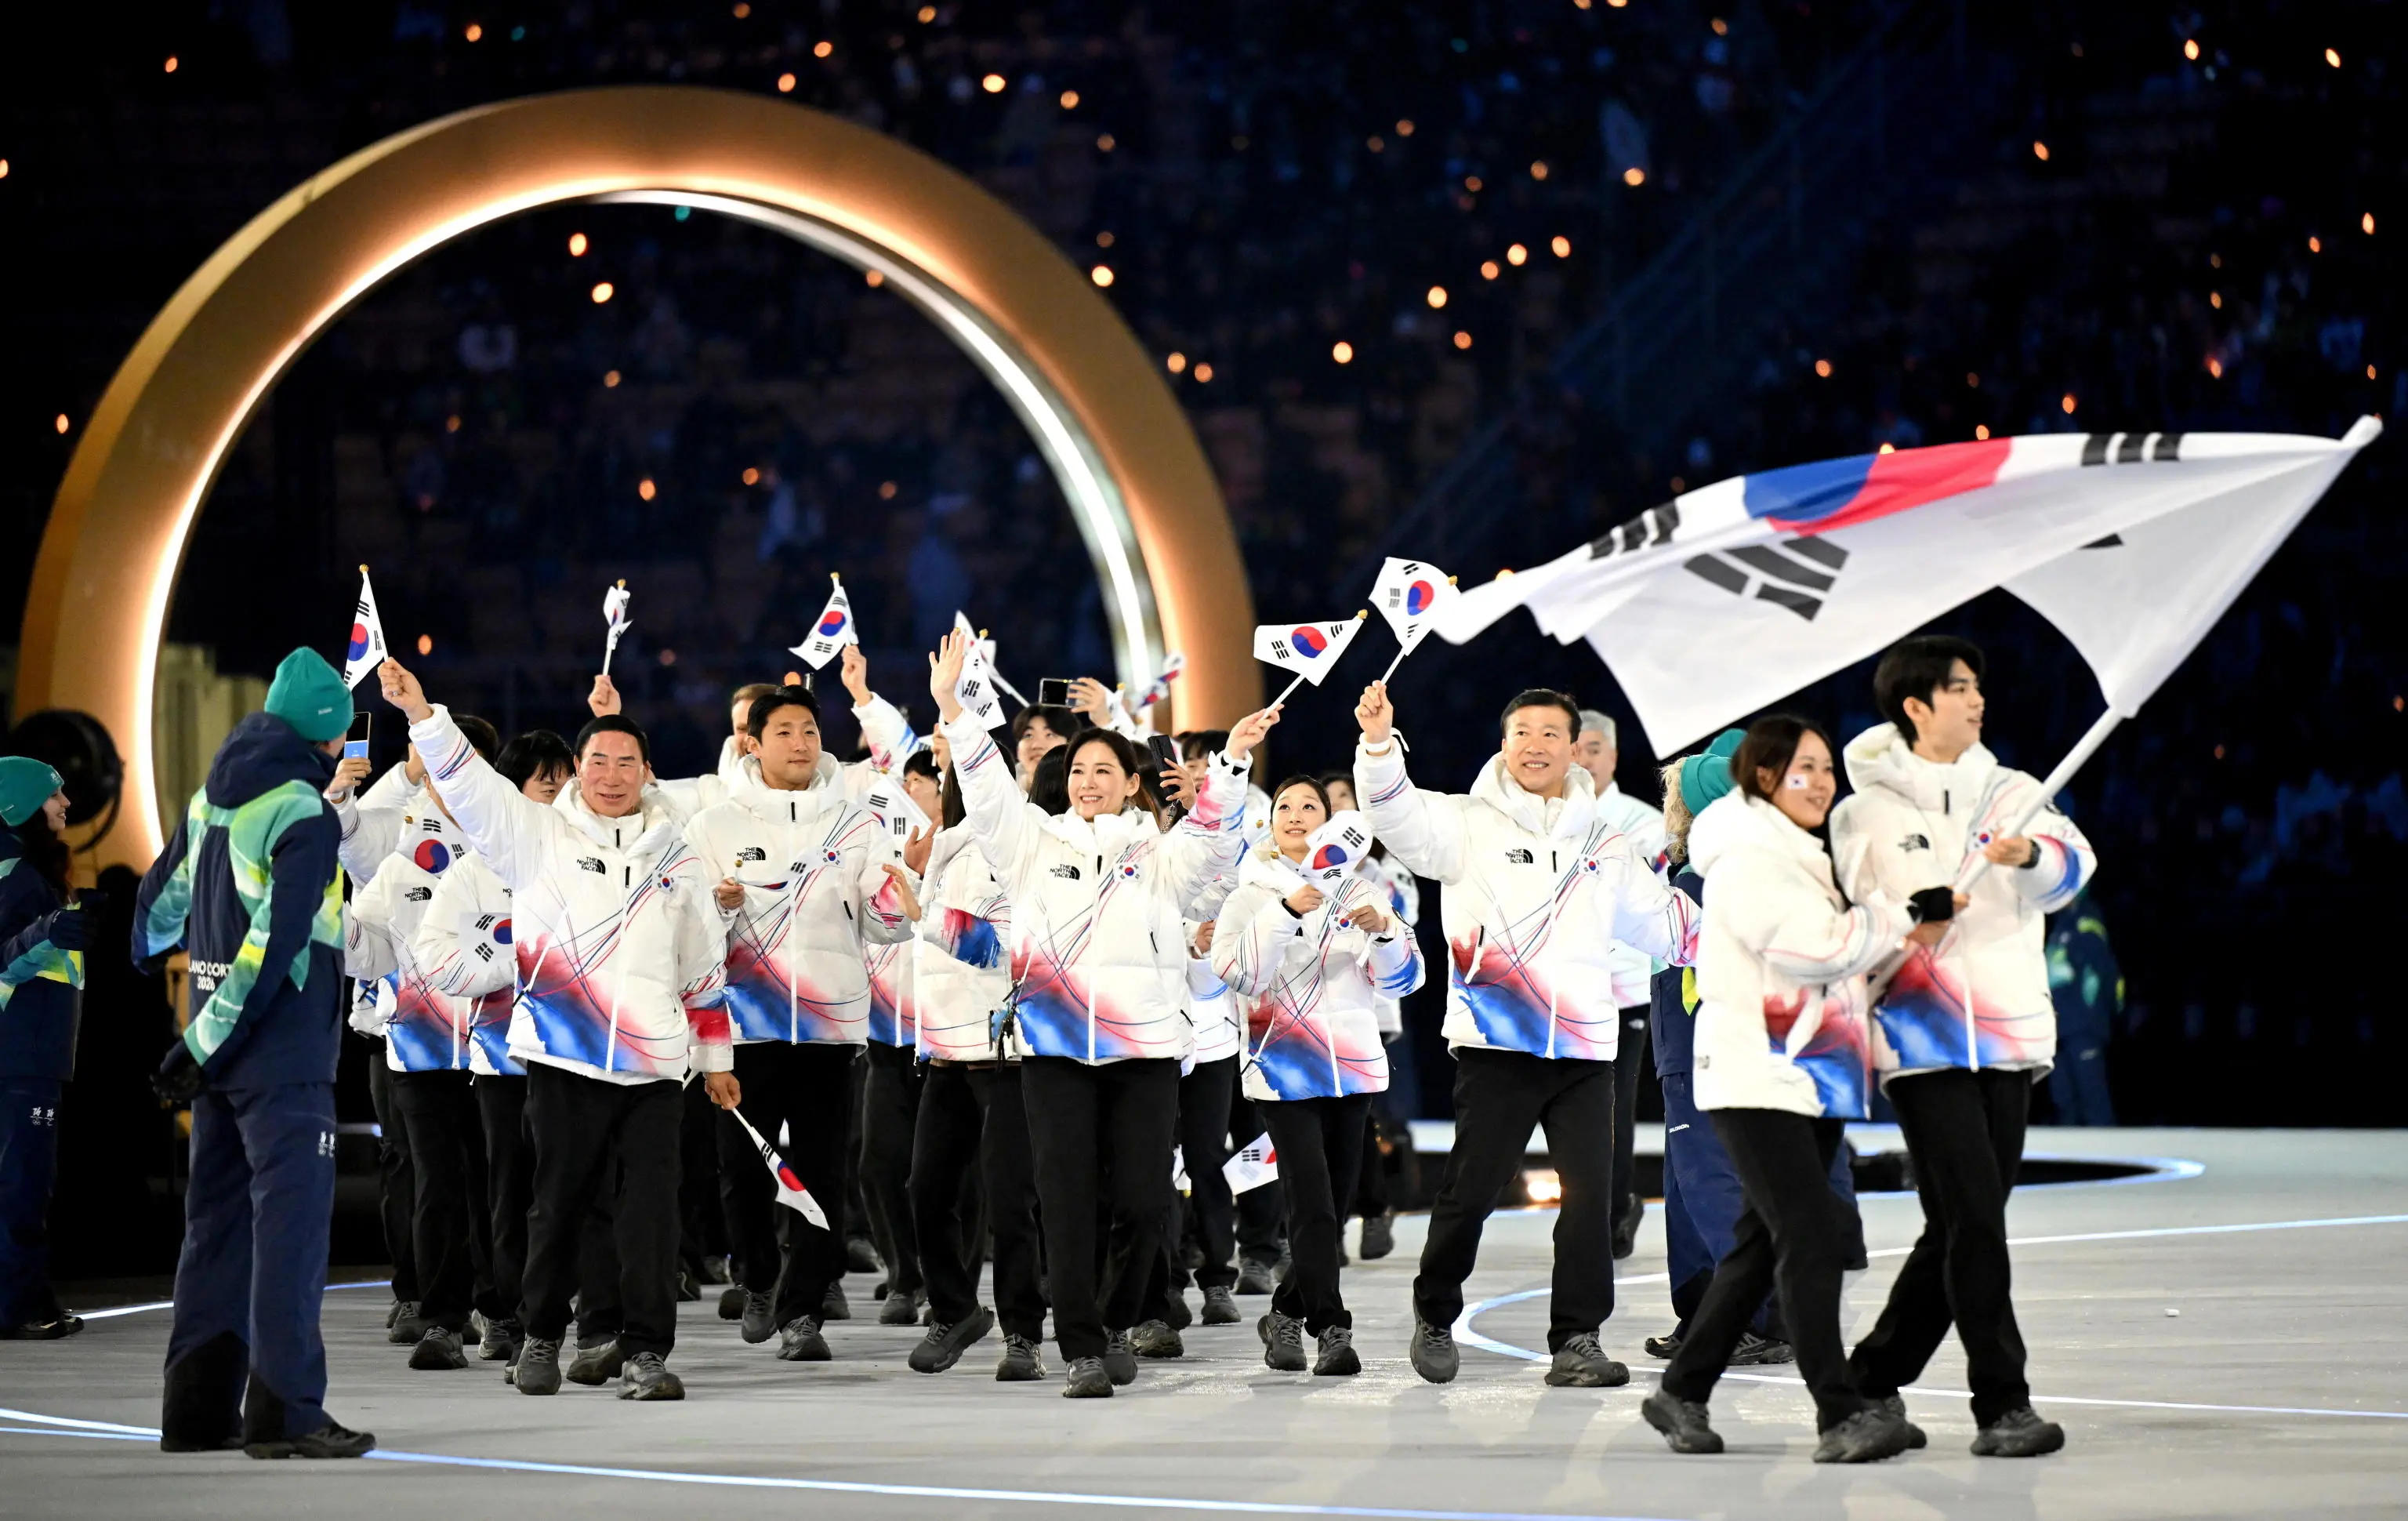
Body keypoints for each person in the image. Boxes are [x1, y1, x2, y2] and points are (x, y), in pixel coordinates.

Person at [378, 657, 734, 1403]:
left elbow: (702, 963)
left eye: (627, 762)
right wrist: (421, 714)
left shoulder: (676, 856)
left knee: (649, 1216)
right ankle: (540, 1334)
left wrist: (715, 1057)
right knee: (557, 1205)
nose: (612, 775)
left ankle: (645, 1353)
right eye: (598, 761)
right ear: (578, 769)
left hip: (653, 1067)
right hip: (563, 1059)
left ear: (646, 772)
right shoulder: (536, 835)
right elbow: (469, 785)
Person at [931, 628, 1272, 1397]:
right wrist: (953, 708)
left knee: (1145, 1203)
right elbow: (985, 789)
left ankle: (1118, 1318)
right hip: (1055, 1052)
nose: (1089, 781)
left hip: (1145, 1051)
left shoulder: (1158, 852)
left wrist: (1231, 765)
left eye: (1104, 770)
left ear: (1129, 782)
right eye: (1079, 769)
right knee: (1066, 1202)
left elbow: (1214, 844)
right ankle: (1084, 1346)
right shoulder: (1028, 842)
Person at [1352, 681, 1696, 1389]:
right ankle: (1435, 1312)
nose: (1535, 746)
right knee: (1471, 1191)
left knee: (1590, 1200)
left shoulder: (1604, 842)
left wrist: (1740, 926)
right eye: (1522, 733)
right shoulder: (1464, 823)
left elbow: (1666, 925)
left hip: (1585, 1048)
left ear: (1575, 750)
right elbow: (1393, 812)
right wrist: (1379, 746)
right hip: (1496, 1045)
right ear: (1503, 743)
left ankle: (1578, 1339)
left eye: (1550, 735)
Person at [1640, 714, 1936, 1464]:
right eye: (1803, 769)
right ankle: (1842, 1409)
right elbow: (1811, 951)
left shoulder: (1805, 855)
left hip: (1814, 1073)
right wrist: (1899, 916)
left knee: (1762, 1244)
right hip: (1757, 1074)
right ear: (1762, 780)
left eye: (1826, 768)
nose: (1822, 781)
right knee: (1808, 1240)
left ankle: (1682, 1390)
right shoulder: (1741, 858)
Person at [1831, 635, 2092, 1457]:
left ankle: (1871, 1377)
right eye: (1959, 687)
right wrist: (1917, 909)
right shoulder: (1863, 811)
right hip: (1921, 1036)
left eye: (1978, 685)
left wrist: (2032, 854)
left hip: (2011, 1034)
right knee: (1974, 1218)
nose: (1977, 700)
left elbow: (2074, 870)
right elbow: (1855, 916)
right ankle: (2003, 1403)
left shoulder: (2016, 791)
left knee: (1961, 1224)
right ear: (1916, 706)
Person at [134, 648, 375, 1457]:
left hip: (215, 1055)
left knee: (215, 1228)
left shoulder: (213, 794)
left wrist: (193, 1035)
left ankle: (196, 1411)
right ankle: (286, 1411)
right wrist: (208, 1039)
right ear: (328, 735)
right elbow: (275, 944)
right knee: (290, 1235)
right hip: (280, 1054)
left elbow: (155, 915)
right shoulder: (303, 811)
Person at [683, 684, 919, 1364]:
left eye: (809, 731)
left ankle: (803, 1312)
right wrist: (719, 907)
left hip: (827, 1027)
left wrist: (899, 898)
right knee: (742, 1171)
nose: (800, 743)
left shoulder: (856, 824)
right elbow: (687, 929)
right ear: (752, 744)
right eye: (784, 732)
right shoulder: (713, 826)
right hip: (743, 1029)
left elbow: (883, 925)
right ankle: (757, 1278)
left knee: (820, 1174)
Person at [1212, 777, 1424, 1377]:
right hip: (1283, 1070)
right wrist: (1285, 912)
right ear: (1270, 822)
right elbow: (1237, 973)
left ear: (1330, 823)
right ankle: (1332, 1328)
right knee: (1312, 1204)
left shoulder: (1362, 890)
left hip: (1352, 1071)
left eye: (1311, 806)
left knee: (1334, 1204)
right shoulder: (1248, 896)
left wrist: (1384, 934)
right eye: (1285, 806)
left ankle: (1285, 1312)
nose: (1296, 815)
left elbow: (1406, 981)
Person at [1644, 729, 1841, 1367]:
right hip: (1688, 1047)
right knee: (1688, 1188)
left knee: (1715, 1182)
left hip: (1707, 1044)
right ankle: (1706, 1313)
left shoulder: (1715, 871)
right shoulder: (1701, 869)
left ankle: (1758, 1317)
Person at [342, 717, 502, 1372]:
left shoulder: (517, 850)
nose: (448, 780)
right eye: (438, 769)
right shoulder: (399, 856)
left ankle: (504, 1312)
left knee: (498, 1183)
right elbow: (366, 949)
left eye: (462, 766)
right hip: (421, 1047)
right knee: (434, 1183)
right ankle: (440, 1317)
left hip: (503, 1051)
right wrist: (333, 924)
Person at [415, 729, 577, 1364]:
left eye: (566, 782)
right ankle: (504, 1312)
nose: (559, 795)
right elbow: (434, 960)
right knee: (506, 1193)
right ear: (509, 793)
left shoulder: (587, 862)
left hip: (575, 1060)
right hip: (501, 1063)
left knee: (568, 1192)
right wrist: (511, 967)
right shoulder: (471, 874)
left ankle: (571, 1313)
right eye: (546, 783)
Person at [901, 752, 1049, 1381]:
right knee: (926, 1191)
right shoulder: (940, 850)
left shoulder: (1021, 847)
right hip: (944, 1050)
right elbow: (908, 940)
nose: (958, 784)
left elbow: (1009, 948)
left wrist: (925, 915)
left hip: (1004, 1051)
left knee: (1010, 1199)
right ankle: (955, 1310)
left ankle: (1023, 1334)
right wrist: (909, 891)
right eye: (952, 774)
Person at [0, 759, 92, 1341]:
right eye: (55, 794)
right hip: (24, 1057)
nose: (66, 803)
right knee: (24, 1184)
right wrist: (49, 931)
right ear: (22, 804)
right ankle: (19, 1306)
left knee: (22, 1182)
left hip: (25, 1053)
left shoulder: (20, 871)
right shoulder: (18, 876)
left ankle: (24, 1299)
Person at [1576, 710, 1666, 1260]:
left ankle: (1614, 1210)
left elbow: (1646, 904)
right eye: (1576, 748)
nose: (1583, 760)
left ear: (1612, 755)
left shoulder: (1643, 823)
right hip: (1561, 986)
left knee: (1613, 1103)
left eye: (1594, 749)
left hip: (1623, 988)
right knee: (1574, 1106)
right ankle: (1591, 1208)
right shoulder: (1547, 818)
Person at [858, 746, 943, 1326]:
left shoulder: (970, 846)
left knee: (947, 1173)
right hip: (887, 1035)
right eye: (906, 780)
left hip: (949, 1040)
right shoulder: (880, 850)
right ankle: (904, 1275)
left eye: (922, 780)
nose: (910, 789)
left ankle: (945, 1283)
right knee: (879, 1163)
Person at [1319, 771, 1415, 1262]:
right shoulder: (1296, 873)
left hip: (1370, 1015)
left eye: (1345, 799)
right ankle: (1331, 1229)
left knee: (1362, 1120)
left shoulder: (1384, 872)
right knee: (1323, 1125)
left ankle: (1373, 1211)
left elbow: (1405, 920)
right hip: (1310, 1018)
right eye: (1327, 801)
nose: (1336, 808)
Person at [2044, 891, 2120, 1125]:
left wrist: (2096, 1016)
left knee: (2092, 1095)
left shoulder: (2087, 923)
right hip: (2058, 1028)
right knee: (2063, 1097)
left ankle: (2106, 1148)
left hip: (2083, 1027)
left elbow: (2104, 974)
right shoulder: (2058, 928)